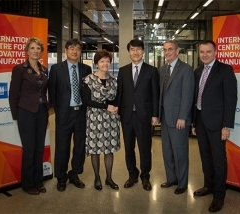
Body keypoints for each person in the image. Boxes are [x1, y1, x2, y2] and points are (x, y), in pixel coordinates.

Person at [191, 40, 237, 213]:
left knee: (218, 159)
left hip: (218, 123)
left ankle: (219, 195)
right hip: (201, 120)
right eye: (202, 52)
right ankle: (208, 186)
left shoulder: (225, 70)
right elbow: (196, 99)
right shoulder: (197, 72)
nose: (205, 55)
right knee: (205, 157)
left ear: (215, 52)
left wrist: (227, 126)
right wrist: (194, 122)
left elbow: (231, 100)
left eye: (208, 51)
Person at [48, 38, 92, 192]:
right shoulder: (56, 69)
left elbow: (89, 93)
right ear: (66, 50)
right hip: (64, 114)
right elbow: (52, 93)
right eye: (71, 48)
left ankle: (74, 174)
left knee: (79, 146)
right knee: (62, 147)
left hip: (81, 114)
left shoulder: (86, 69)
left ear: (80, 52)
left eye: (78, 49)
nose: (74, 51)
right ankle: (61, 177)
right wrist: (59, 111)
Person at [117, 39, 159, 191]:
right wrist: (118, 113)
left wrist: (155, 115)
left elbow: (155, 94)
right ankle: (132, 175)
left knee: (145, 148)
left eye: (138, 49)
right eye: (132, 49)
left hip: (144, 116)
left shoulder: (152, 71)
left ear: (143, 51)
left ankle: (145, 177)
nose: (135, 52)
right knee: (129, 148)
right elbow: (120, 94)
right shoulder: (122, 71)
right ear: (129, 52)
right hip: (127, 116)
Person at [9, 37, 49, 195]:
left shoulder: (44, 69)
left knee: (39, 148)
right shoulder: (19, 69)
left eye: (38, 48)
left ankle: (38, 180)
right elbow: (13, 94)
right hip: (25, 112)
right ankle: (27, 184)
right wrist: (16, 116)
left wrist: (46, 113)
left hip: (42, 112)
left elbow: (44, 92)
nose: (35, 51)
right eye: (32, 48)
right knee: (29, 149)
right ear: (27, 51)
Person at [158, 40, 195, 195]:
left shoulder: (186, 70)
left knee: (180, 151)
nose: (167, 52)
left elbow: (188, 96)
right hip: (165, 118)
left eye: (170, 49)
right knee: (167, 150)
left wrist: (183, 117)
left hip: (178, 119)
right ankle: (171, 178)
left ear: (177, 51)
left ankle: (182, 182)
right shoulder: (162, 70)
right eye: (165, 50)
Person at [82, 50, 120, 191]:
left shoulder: (113, 80)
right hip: (94, 119)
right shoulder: (88, 80)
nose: (105, 64)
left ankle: (109, 178)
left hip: (110, 120)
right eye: (102, 61)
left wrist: (115, 107)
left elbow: (116, 98)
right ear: (96, 63)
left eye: (107, 61)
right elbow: (86, 101)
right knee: (95, 150)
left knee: (109, 150)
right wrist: (106, 106)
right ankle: (97, 177)